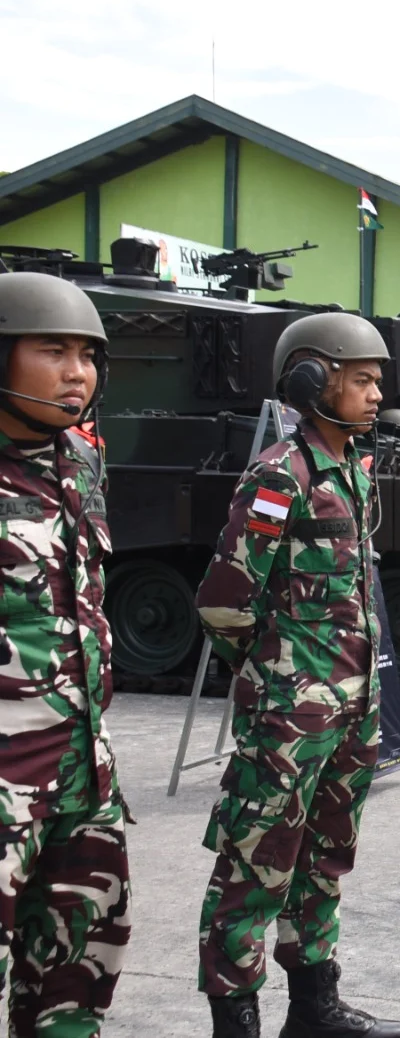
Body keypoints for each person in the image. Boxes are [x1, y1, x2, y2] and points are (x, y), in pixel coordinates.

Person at [195, 312, 400, 1038]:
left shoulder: (349, 469)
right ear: (314, 380)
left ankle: (315, 1008)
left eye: (379, 380)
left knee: (324, 861)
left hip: (352, 710)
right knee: (255, 868)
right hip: (291, 718)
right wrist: (280, 680)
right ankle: (237, 1022)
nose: (377, 394)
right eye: (363, 379)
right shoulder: (277, 477)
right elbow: (226, 603)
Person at [0, 273, 130, 1037]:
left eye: (87, 355)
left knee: (79, 968)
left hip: (83, 768)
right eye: (53, 350)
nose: (76, 372)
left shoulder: (81, 462)